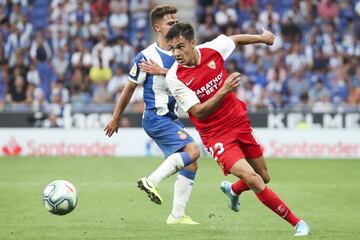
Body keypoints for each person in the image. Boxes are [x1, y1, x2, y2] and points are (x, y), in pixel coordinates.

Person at [165, 22, 310, 236]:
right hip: (216, 135)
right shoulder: (175, 77)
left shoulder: (212, 49)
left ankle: (233, 190)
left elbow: (235, 40)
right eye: (172, 48)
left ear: (192, 43)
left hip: (238, 122)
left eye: (180, 46)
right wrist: (224, 90)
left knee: (263, 176)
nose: (176, 53)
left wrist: (263, 38)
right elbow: (199, 112)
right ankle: (297, 223)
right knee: (254, 179)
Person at [104, 5, 200, 225]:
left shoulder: (182, 52)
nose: (175, 24)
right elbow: (129, 89)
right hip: (156, 118)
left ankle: (177, 216)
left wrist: (164, 72)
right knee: (193, 151)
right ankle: (151, 180)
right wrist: (116, 117)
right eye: (169, 22)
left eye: (176, 21)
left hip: (171, 118)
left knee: (191, 164)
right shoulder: (146, 56)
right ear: (157, 27)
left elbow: (192, 79)